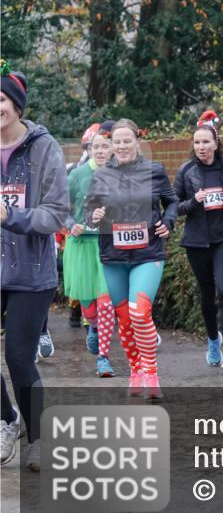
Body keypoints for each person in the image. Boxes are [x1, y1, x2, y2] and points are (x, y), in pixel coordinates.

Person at [0, 59, 71, 469]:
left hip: (30, 273)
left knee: (19, 357)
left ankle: (40, 437)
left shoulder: (44, 148)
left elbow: (56, 213)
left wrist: (12, 216)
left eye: (3, 99)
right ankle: (8, 419)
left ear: (17, 104)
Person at [86, 119, 177, 399]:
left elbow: (171, 202)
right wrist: (94, 216)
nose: (122, 146)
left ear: (138, 141)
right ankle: (136, 368)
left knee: (140, 313)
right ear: (111, 144)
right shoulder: (101, 175)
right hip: (113, 256)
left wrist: (168, 221)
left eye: (127, 141)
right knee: (124, 320)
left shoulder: (154, 171)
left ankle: (150, 370)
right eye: (117, 141)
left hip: (147, 252)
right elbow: (88, 211)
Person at [174, 110, 223, 369]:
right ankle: (211, 341)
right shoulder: (186, 171)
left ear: (216, 144)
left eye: (206, 142)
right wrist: (193, 202)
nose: (201, 147)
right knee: (207, 296)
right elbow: (174, 206)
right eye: (197, 143)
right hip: (197, 242)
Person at [64, 127, 117, 376]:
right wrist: (69, 224)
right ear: (89, 149)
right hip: (81, 245)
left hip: (108, 244)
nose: (101, 151)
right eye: (96, 147)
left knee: (106, 303)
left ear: (113, 149)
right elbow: (60, 207)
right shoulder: (77, 175)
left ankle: (103, 358)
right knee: (90, 308)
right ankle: (93, 327)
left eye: (105, 146)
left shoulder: (121, 175)